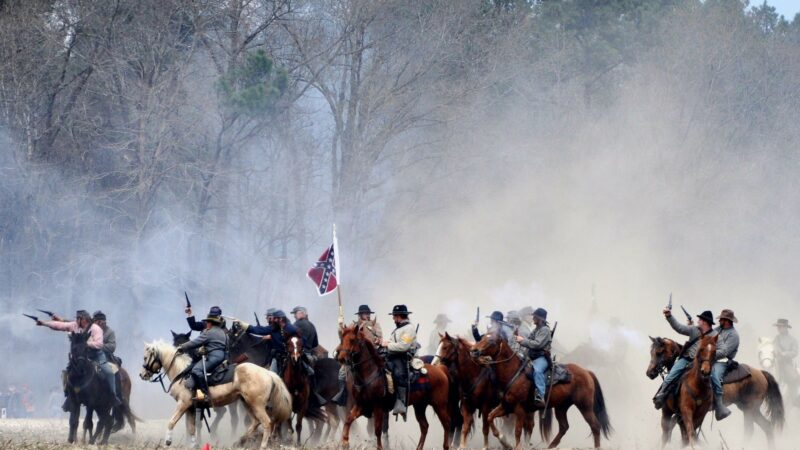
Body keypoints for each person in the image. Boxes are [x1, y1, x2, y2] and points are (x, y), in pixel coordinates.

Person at [37, 310, 122, 406]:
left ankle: (113, 396)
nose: (76, 320)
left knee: (109, 372)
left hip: (96, 355)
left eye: (78, 318)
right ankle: (69, 396)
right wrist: (44, 323)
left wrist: (85, 344)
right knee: (67, 372)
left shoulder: (96, 329)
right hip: (82, 355)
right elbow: (60, 326)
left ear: (84, 319)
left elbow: (99, 344)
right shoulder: (76, 325)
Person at [653, 309, 717, 409]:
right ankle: (661, 396)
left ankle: (716, 404)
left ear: (704, 322)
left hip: (703, 363)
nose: (698, 321)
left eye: (700, 320)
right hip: (687, 360)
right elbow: (678, 327)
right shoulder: (694, 330)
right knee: (670, 376)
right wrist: (669, 316)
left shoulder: (714, 335)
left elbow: (719, 349)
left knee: (715, 381)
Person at [333, 304, 382, 406]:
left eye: (368, 313)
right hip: (355, 355)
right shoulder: (353, 325)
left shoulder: (375, 325)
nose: (367, 315)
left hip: (371, 354)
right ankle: (343, 394)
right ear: (360, 315)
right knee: (342, 373)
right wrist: (340, 326)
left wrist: (377, 339)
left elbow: (379, 338)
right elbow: (344, 336)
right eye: (365, 313)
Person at [176, 312, 228, 402]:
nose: (206, 324)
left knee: (196, 370)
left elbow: (195, 342)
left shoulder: (209, 333)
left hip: (213, 356)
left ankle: (205, 394)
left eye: (207, 322)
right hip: (222, 356)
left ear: (211, 323)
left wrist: (182, 347)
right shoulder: (223, 333)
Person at [380, 304, 418, 415]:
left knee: (398, 375)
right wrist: (384, 343)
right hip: (393, 356)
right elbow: (394, 343)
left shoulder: (409, 329)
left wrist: (387, 345)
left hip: (403, 357)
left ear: (399, 316)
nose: (393, 318)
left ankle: (401, 403)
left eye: (394, 316)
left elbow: (403, 346)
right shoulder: (398, 329)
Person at [290, 306, 327, 406]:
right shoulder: (312, 325)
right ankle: (314, 392)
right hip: (310, 355)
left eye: (295, 313)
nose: (294, 316)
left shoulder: (295, 325)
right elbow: (315, 344)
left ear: (302, 313)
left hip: (300, 354)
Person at [516, 307, 551, 407]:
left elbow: (537, 344)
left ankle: (540, 395)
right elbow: (529, 340)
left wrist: (522, 340)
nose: (533, 318)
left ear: (541, 319)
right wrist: (519, 337)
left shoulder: (545, 330)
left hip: (541, 358)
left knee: (537, 371)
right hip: (532, 357)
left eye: (535, 317)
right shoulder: (536, 329)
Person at [711, 309, 738, 420]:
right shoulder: (717, 329)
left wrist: (708, 354)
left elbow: (725, 352)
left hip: (722, 361)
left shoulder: (733, 335)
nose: (719, 320)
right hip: (710, 358)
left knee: (715, 375)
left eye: (721, 319)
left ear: (726, 321)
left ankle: (720, 406)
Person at [773, 318, 798, 396]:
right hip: (775, 362)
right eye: (778, 327)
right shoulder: (776, 338)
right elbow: (773, 348)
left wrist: (784, 354)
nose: (778, 328)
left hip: (786, 363)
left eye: (780, 327)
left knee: (794, 378)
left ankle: (794, 397)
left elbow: (795, 352)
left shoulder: (793, 340)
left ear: (786, 327)